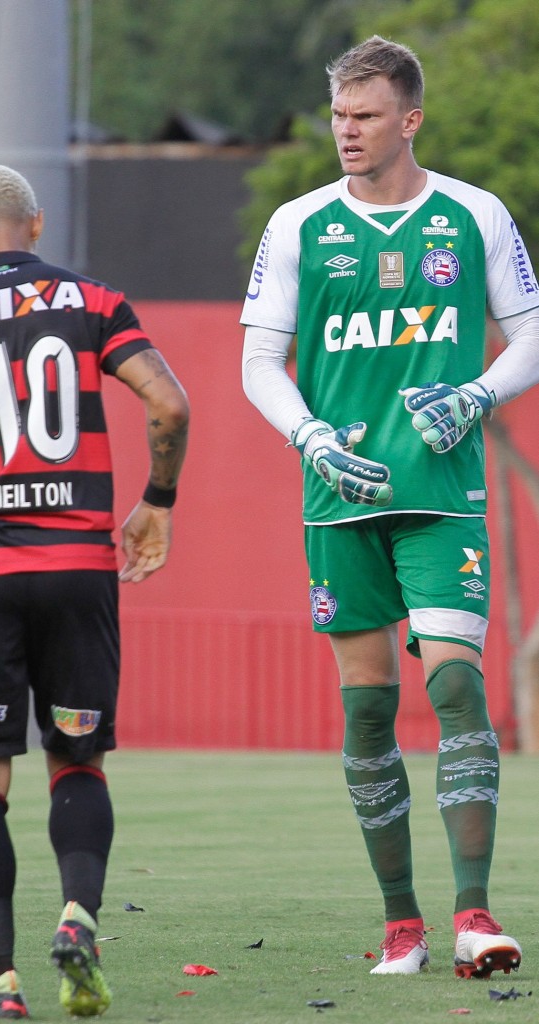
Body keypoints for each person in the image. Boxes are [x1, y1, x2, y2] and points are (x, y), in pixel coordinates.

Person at [241, 35, 539, 978]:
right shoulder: (296, 224)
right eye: (338, 115)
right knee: (367, 710)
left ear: (409, 118)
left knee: (454, 683)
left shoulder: (472, 213)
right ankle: (401, 926)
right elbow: (257, 361)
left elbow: (530, 336)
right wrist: (311, 436)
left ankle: (473, 916)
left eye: (364, 115)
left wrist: (476, 396)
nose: (346, 132)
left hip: (442, 496)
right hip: (337, 498)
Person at [0, 164, 189, 1018]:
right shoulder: (94, 302)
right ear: (36, 226)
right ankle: (80, 919)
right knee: (77, 761)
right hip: (77, 572)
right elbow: (168, 403)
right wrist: (156, 504)